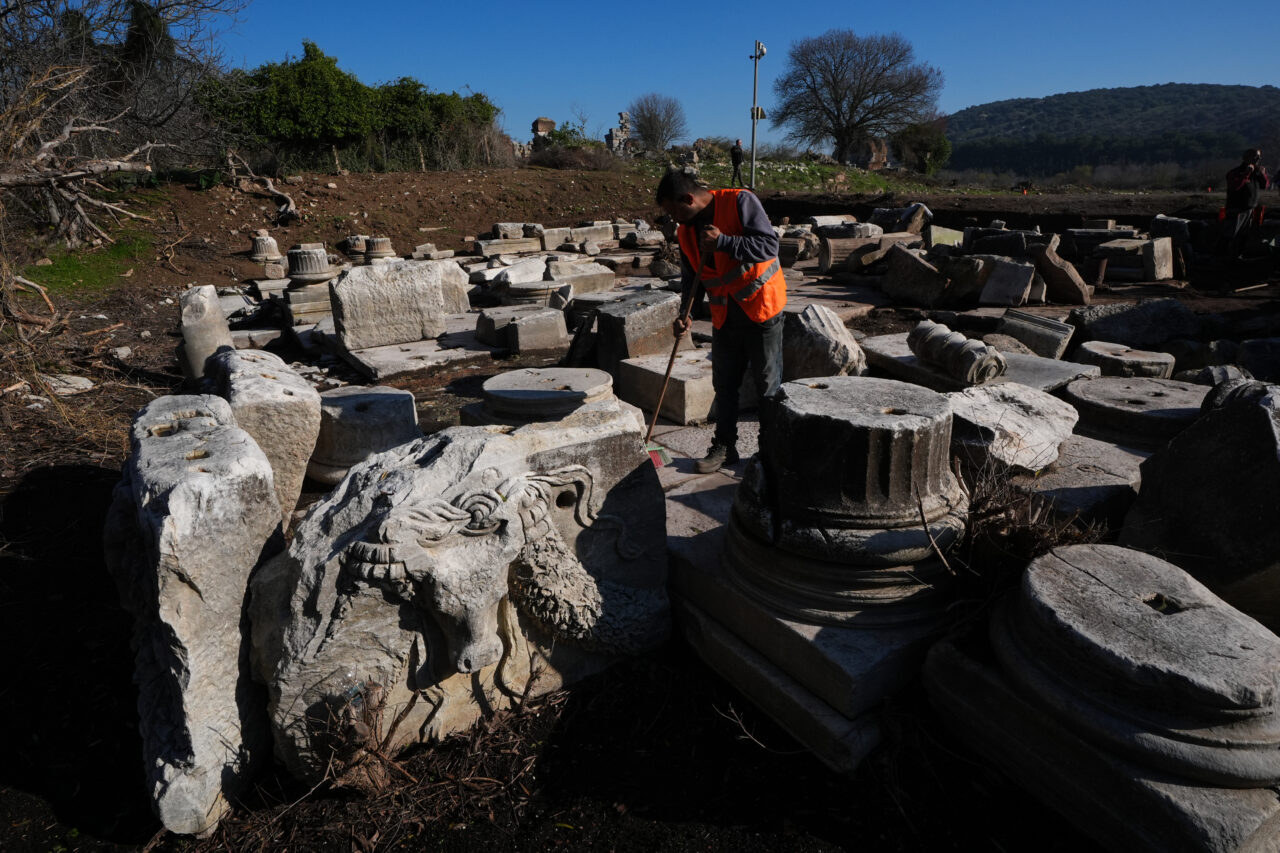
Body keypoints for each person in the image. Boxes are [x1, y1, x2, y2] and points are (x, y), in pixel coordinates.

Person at [657, 169, 786, 473]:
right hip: (725, 315)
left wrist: (725, 243)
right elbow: (692, 276)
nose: (674, 220)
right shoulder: (687, 230)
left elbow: (769, 246)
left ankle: (770, 453)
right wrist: (685, 313)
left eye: (674, 211)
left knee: (768, 387)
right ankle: (724, 447)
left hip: (761, 309)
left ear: (688, 199)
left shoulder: (741, 202)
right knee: (724, 385)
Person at [1221, 148, 1269, 261]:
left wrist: (1262, 174)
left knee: (1243, 235)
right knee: (1231, 233)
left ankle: (1237, 256)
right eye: (1256, 157)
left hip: (1249, 209)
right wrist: (1246, 174)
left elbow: (1265, 185)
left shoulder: (1256, 172)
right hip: (1237, 209)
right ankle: (1222, 257)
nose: (1258, 159)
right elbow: (1234, 186)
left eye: (1259, 157)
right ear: (1247, 158)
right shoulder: (1236, 172)